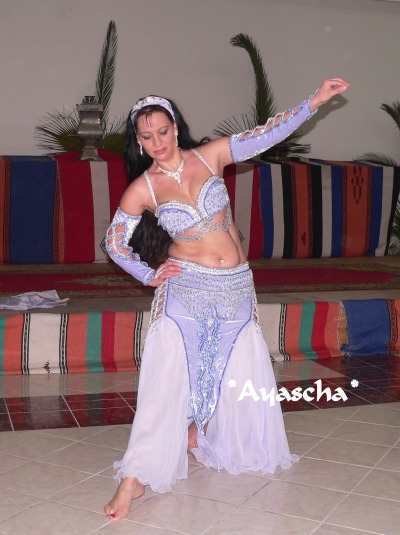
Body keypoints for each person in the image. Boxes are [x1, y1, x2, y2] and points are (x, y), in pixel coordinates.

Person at [104, 78, 349, 519]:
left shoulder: (211, 155)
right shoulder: (144, 188)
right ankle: (135, 477)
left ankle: (197, 434)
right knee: (167, 380)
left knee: (228, 371)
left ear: (175, 127)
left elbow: (265, 135)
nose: (157, 142)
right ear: (138, 141)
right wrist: (149, 274)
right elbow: (115, 242)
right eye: (147, 136)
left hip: (236, 285)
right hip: (186, 287)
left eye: (163, 131)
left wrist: (312, 102)